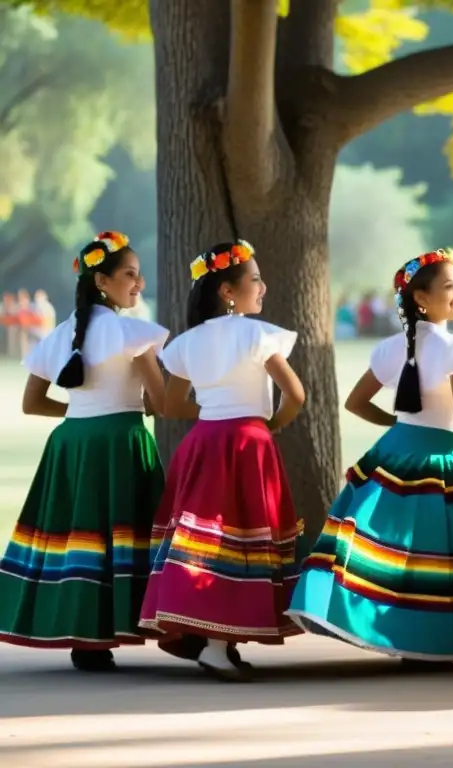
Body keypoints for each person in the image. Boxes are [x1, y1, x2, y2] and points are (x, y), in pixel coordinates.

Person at [287, 249, 453, 665]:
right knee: (444, 550)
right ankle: (437, 639)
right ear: (421, 299)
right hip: (443, 454)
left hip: (396, 453)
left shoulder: (391, 347)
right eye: (450, 286)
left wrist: (395, 425)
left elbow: (356, 403)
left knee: (399, 550)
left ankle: (401, 634)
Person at [0, 232, 168, 671]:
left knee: (81, 538)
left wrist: (82, 414)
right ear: (102, 280)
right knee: (123, 535)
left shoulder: (59, 334)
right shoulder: (133, 333)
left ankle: (87, 639)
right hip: (121, 442)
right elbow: (163, 404)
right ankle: (162, 623)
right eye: (130, 274)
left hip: (72, 445)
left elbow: (32, 403)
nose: (138, 283)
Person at [139, 239, 306, 682]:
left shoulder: (186, 343)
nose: (263, 287)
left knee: (210, 538)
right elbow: (296, 394)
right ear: (228, 291)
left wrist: (215, 413)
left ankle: (219, 641)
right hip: (248, 445)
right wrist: (267, 425)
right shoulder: (258, 334)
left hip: (204, 444)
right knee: (241, 538)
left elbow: (172, 406)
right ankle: (216, 646)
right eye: (254, 279)